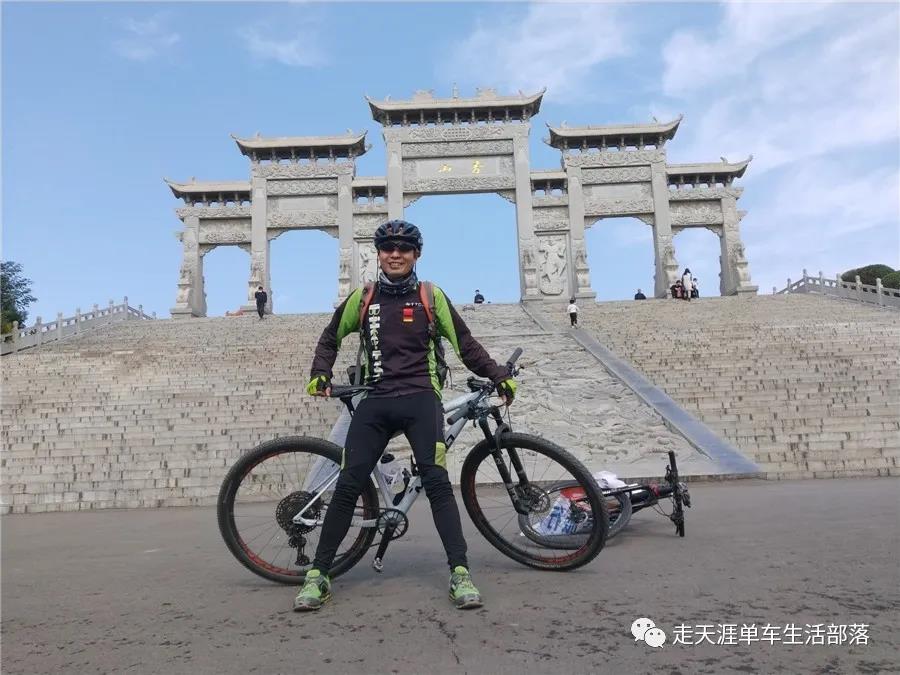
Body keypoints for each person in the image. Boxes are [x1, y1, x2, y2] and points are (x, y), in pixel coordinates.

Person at [295, 219, 518, 612]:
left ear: (416, 254)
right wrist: (320, 373)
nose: (395, 254)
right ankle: (318, 575)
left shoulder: (431, 295)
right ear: (379, 254)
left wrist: (498, 375)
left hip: (420, 398)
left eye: (403, 248)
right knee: (349, 483)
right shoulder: (363, 297)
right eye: (387, 248)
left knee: (435, 481)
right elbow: (330, 336)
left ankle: (460, 572)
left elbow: (465, 344)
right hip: (376, 400)